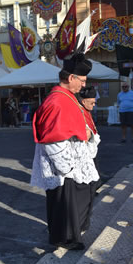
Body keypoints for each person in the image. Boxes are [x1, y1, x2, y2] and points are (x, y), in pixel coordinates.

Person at [31, 53, 99, 251]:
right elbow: (52, 137)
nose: (84, 86)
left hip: (72, 161)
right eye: (83, 81)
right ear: (71, 78)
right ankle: (65, 238)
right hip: (63, 165)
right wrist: (66, 166)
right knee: (62, 203)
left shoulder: (68, 98)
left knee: (72, 201)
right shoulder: (56, 101)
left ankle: (68, 235)